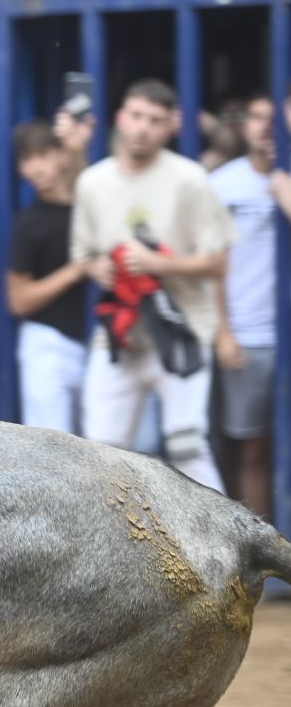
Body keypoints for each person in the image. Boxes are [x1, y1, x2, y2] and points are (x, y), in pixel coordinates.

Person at [72, 78, 235, 491]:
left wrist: (157, 263)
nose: (143, 128)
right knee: (100, 453)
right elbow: (83, 254)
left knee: (187, 447)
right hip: (121, 334)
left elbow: (218, 261)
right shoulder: (92, 181)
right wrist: (99, 270)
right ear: (120, 118)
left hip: (181, 329)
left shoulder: (190, 179)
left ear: (171, 127)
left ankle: (225, 550)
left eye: (155, 120)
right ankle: (114, 551)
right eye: (137, 116)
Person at [209, 93, 291, 517]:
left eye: (276, 117)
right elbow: (212, 263)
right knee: (253, 447)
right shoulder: (223, 184)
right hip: (248, 334)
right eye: (258, 117)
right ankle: (264, 551)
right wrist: (223, 329)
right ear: (243, 126)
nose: (267, 126)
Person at [8, 119, 92, 434]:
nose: (35, 168)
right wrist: (73, 271)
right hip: (47, 343)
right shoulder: (29, 224)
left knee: (105, 448)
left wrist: (78, 147)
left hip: (97, 345)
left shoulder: (87, 204)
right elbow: (18, 300)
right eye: (27, 159)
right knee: (52, 450)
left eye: (43, 155)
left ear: (61, 156)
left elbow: (92, 192)